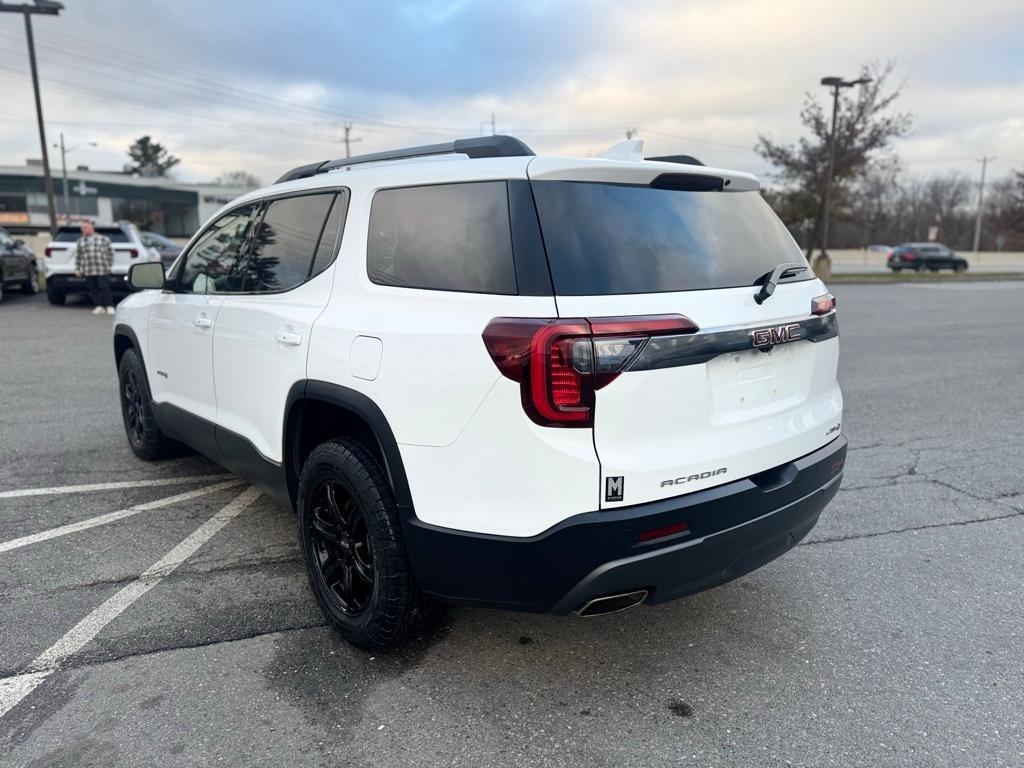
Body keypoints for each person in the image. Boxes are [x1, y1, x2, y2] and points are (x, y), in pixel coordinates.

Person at [74, 219, 116, 315]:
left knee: (104, 287)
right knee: (93, 288)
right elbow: (78, 256)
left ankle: (110, 306)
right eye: (82, 228)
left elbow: (111, 253)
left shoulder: (103, 239)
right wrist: (77, 268)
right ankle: (99, 306)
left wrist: (109, 265)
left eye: (85, 227)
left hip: (102, 268)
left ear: (92, 227)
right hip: (89, 269)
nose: (84, 230)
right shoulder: (80, 241)